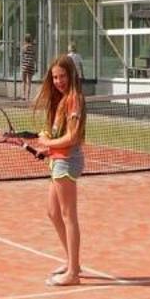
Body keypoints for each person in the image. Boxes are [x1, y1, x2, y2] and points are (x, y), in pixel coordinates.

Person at [33, 54, 87, 286]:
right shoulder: (62, 100)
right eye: (55, 77)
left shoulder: (74, 99)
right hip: (58, 159)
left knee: (68, 216)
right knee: (53, 213)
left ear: (71, 75)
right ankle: (72, 262)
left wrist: (48, 144)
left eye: (62, 76)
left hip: (67, 161)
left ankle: (73, 273)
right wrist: (48, 145)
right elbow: (58, 136)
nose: (58, 81)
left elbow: (73, 137)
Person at [18, 33, 37, 99]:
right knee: (29, 82)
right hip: (31, 65)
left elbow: (22, 56)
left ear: (25, 39)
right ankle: (28, 97)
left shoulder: (24, 47)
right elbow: (35, 57)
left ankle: (23, 95)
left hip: (24, 65)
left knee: (24, 81)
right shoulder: (33, 48)